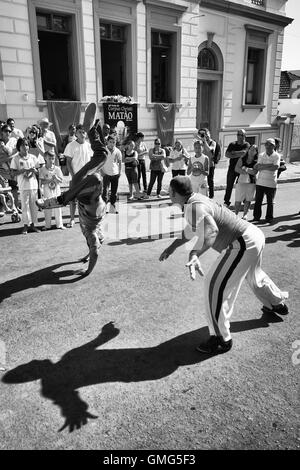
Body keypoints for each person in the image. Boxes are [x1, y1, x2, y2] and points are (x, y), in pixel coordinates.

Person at [159, 176, 289, 354]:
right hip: (253, 234)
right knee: (254, 275)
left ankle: (221, 339)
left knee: (214, 285)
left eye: (169, 190)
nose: (168, 193)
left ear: (174, 192)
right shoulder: (194, 200)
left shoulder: (193, 207)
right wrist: (172, 247)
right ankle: (275, 302)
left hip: (241, 243)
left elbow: (212, 230)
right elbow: (192, 229)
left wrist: (195, 253)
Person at [37, 120, 108, 276]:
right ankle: (92, 130)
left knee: (97, 171)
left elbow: (95, 250)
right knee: (103, 156)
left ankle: (58, 201)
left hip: (86, 192)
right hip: (92, 195)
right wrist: (88, 263)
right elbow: (95, 249)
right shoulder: (95, 234)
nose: (92, 244)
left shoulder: (91, 233)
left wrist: (87, 270)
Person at [64, 124, 93, 227]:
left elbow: (91, 162)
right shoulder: (71, 145)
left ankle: (84, 219)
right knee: (72, 200)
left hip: (87, 178)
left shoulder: (89, 145)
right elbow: (68, 163)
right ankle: (72, 219)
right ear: (76, 134)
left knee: (86, 199)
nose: (82, 133)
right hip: (75, 178)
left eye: (83, 132)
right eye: (80, 132)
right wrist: (74, 176)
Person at [10, 138, 40, 234]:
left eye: (26, 145)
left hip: (33, 185)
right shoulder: (16, 158)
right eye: (23, 145)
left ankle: (33, 226)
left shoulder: (33, 157)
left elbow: (39, 171)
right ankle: (25, 226)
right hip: (23, 186)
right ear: (19, 147)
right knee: (25, 206)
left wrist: (34, 171)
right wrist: (22, 171)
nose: (25, 147)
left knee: (33, 207)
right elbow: (12, 173)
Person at [253, 138, 280, 223]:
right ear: (265, 145)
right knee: (258, 201)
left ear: (274, 146)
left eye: (271, 145)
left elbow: (275, 167)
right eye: (267, 144)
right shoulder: (261, 155)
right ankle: (256, 217)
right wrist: (269, 165)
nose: (268, 146)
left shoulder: (277, 156)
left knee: (270, 202)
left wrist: (263, 166)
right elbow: (258, 167)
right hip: (260, 182)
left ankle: (269, 218)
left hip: (271, 182)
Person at [39, 149, 65, 230]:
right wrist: (49, 180)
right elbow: (42, 182)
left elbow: (61, 180)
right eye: (49, 158)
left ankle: (59, 224)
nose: (51, 160)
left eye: (53, 158)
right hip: (47, 191)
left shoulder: (57, 169)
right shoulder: (42, 169)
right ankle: (47, 225)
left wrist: (56, 178)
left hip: (56, 190)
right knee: (47, 208)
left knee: (58, 207)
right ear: (45, 158)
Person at [224, 129, 250, 207]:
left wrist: (233, 153)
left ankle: (243, 202)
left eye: (241, 135)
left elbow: (244, 153)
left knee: (242, 186)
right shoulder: (232, 144)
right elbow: (227, 154)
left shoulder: (247, 145)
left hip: (241, 169)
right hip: (232, 168)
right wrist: (238, 154)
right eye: (238, 134)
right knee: (229, 186)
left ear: (245, 136)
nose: (239, 136)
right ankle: (226, 202)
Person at [234, 145, 258, 220]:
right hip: (241, 181)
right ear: (248, 150)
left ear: (256, 152)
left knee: (248, 199)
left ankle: (245, 214)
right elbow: (236, 168)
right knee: (238, 199)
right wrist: (246, 172)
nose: (251, 151)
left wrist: (246, 169)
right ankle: (235, 214)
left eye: (254, 150)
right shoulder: (242, 159)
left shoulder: (256, 161)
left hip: (251, 183)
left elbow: (254, 172)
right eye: (251, 149)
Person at [0, 124, 20, 212]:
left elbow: (16, 153)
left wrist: (7, 158)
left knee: (14, 188)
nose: (8, 133)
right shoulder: (0, 142)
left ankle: (16, 207)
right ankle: (2, 208)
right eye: (6, 131)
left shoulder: (14, 140)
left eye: (9, 131)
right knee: (3, 189)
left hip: (13, 168)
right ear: (2, 132)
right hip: (2, 170)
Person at [101, 134, 122, 213]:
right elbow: (100, 162)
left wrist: (119, 172)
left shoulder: (117, 151)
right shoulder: (104, 150)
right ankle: (104, 207)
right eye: (110, 142)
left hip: (115, 174)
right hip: (106, 174)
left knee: (114, 192)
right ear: (107, 142)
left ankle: (112, 207)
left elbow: (120, 162)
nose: (112, 144)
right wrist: (101, 171)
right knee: (105, 192)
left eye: (114, 142)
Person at [198, 128, 217, 199]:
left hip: (210, 164)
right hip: (202, 164)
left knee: (210, 181)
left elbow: (209, 150)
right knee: (202, 180)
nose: (204, 135)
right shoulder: (200, 142)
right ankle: (203, 195)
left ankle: (211, 197)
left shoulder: (213, 142)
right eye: (201, 134)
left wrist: (204, 141)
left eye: (205, 133)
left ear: (208, 133)